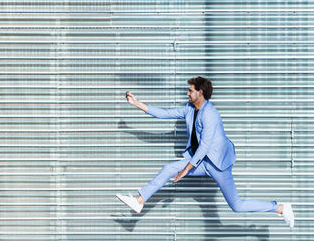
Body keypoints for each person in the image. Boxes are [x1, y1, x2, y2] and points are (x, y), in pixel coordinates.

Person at [116, 76, 295, 228]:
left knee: (237, 205)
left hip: (218, 163)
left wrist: (185, 170)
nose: (188, 93)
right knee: (169, 168)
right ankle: (140, 201)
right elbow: (164, 113)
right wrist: (136, 103)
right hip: (201, 162)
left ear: (200, 93)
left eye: (190, 90)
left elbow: (204, 146)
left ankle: (279, 208)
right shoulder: (189, 109)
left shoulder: (210, 114)